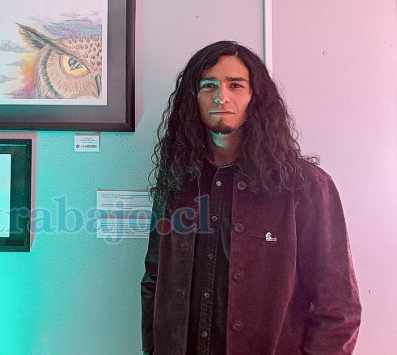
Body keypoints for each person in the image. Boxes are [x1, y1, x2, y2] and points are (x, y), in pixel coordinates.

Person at [141, 41, 361, 355]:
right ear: (194, 98)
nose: (221, 96)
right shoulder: (178, 181)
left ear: (255, 96)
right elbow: (154, 280)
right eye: (209, 85)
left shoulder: (305, 186)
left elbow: (339, 306)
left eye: (235, 85)